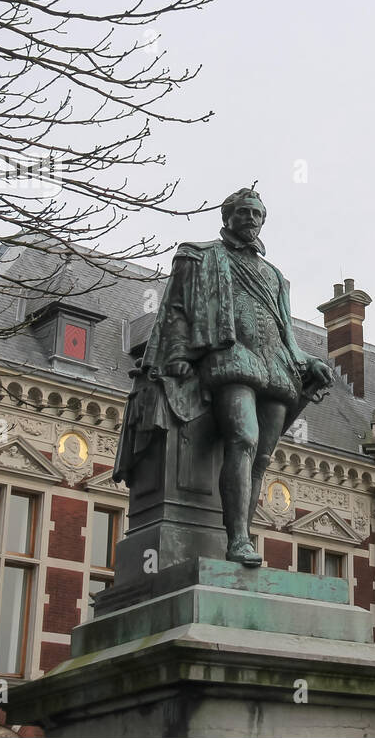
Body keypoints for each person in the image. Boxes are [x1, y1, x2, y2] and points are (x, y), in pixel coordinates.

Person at [114, 186, 334, 565]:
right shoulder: (200, 256)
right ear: (227, 217)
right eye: (243, 212)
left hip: (276, 364)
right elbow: (177, 307)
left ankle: (243, 536)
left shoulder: (276, 277)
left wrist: (307, 361)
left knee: (262, 458)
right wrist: (180, 353)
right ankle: (235, 542)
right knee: (243, 439)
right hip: (232, 358)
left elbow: (287, 332)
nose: (250, 219)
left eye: (257, 214)